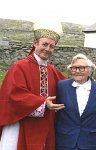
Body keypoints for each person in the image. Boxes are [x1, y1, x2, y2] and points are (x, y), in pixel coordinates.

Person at [0, 21, 66, 150]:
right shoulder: (20, 66)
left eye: (52, 46)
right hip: (21, 123)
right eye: (44, 44)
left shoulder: (52, 70)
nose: (48, 49)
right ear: (35, 43)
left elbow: (68, 86)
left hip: (45, 123)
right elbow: (14, 94)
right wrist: (43, 102)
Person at [55, 53, 96, 150]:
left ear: (90, 70)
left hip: (90, 140)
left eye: (81, 68)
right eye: (74, 68)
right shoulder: (61, 86)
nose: (77, 71)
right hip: (66, 140)